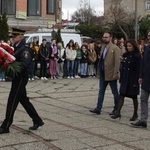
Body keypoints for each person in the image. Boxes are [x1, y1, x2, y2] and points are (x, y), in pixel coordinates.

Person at [0, 28, 44, 134]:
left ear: (20, 37)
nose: (12, 38)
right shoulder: (14, 48)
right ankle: (37, 120)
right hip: (16, 78)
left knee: (12, 100)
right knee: (23, 100)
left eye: (14, 37)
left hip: (21, 78)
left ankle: (6, 125)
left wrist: (11, 65)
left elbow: (24, 65)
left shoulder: (25, 50)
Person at [89, 31, 120, 115]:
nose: (104, 39)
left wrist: (116, 73)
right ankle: (98, 108)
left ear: (110, 38)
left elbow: (117, 62)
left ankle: (117, 108)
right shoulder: (103, 47)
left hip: (111, 74)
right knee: (101, 91)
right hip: (103, 73)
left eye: (106, 37)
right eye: (103, 37)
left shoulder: (115, 48)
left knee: (115, 92)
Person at [111, 39, 142, 120]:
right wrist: (121, 78)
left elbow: (139, 69)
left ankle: (135, 114)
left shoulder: (137, 56)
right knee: (121, 95)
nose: (128, 48)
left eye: (130, 46)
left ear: (134, 46)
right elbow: (123, 68)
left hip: (133, 79)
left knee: (134, 97)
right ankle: (118, 112)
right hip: (125, 78)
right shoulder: (126, 55)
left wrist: (137, 80)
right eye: (127, 46)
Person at [131, 31, 150, 128]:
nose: (149, 37)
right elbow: (143, 63)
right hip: (146, 78)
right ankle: (143, 120)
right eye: (148, 35)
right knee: (143, 98)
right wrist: (141, 76)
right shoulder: (146, 48)